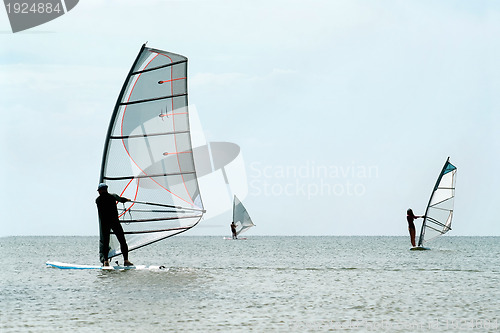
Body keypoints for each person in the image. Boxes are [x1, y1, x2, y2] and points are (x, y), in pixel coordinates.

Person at [96, 183, 133, 266]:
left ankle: (106, 261)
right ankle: (126, 261)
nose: (98, 192)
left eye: (99, 190)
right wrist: (126, 199)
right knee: (122, 241)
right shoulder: (112, 196)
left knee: (105, 243)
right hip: (114, 222)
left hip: (105, 224)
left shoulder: (98, 200)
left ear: (101, 190)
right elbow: (121, 199)